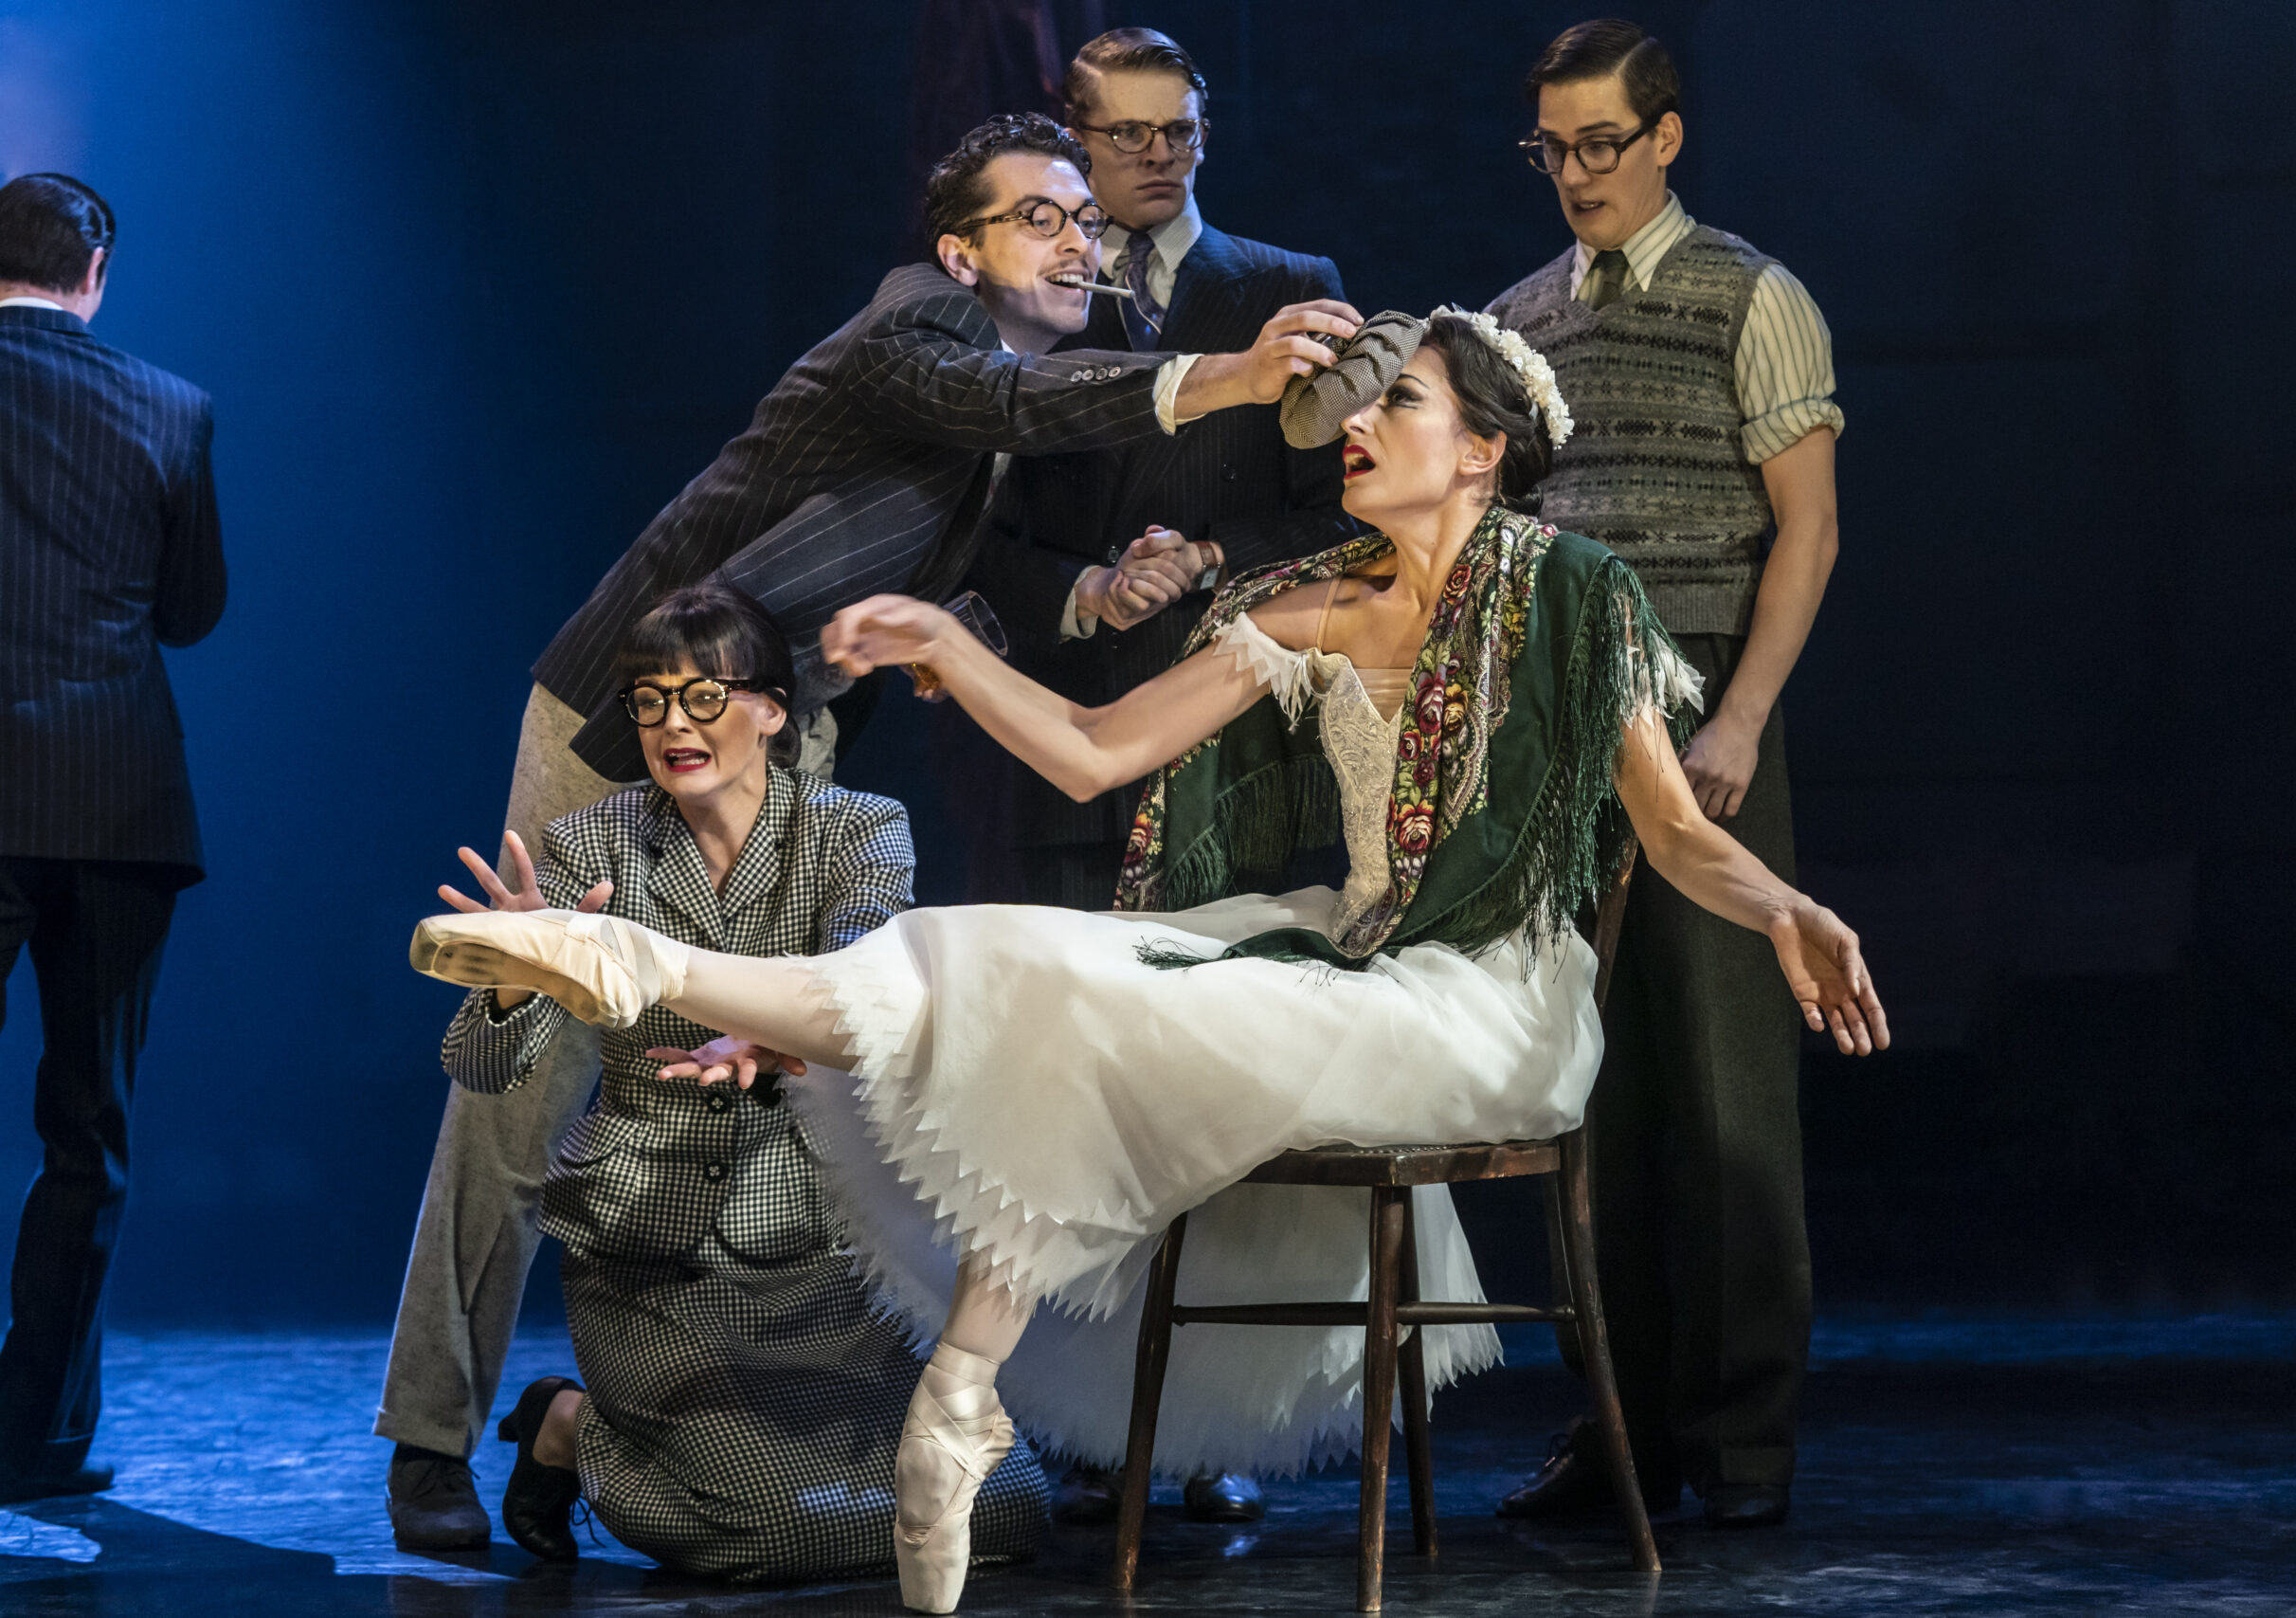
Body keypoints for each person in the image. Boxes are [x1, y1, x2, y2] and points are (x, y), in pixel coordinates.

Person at [409, 310, 1888, 1613]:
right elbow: (1093, 750)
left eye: (1400, 408)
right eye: (1359, 409)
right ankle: (633, 963)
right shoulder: (1313, 604)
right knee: (1000, 949)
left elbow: (1680, 837)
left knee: (1121, 986)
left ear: (1486, 450)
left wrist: (1783, 909)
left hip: (1490, 998)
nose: (1358, 429)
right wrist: (948, 639)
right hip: (1348, 955)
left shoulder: (1578, 597)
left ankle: (685, 1020)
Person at [375, 112, 1363, 1549]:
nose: (1080, 239)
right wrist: (1231, 373)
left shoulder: (993, 398)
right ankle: (429, 1435)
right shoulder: (918, 326)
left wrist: (1088, 594)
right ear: (962, 248)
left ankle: (697, 1422)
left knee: (806, 1074)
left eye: (1086, 218)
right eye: (1044, 216)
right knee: (536, 1069)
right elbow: (1019, 412)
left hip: (787, 743)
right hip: (629, 714)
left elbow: (951, 570)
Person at [425, 583, 1049, 1579]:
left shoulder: (854, 830)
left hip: (814, 1247)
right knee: (770, 1533)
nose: (674, 723)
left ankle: (603, 1435)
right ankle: (567, 1430)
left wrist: (769, 1035)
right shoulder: (596, 844)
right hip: (652, 1255)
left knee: (1005, 1511)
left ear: (773, 709)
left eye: (704, 697)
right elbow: (481, 1066)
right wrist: (516, 980)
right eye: (650, 699)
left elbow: (863, 976)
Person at [962, 25, 1361, 1523]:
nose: (1151, 157)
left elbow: (1348, 506)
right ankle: (1073, 1409)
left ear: (1206, 133)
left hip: (1239, 738)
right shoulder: (1033, 297)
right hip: (1068, 734)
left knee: (1214, 1080)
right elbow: (979, 519)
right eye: (1122, 133)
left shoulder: (1281, 283)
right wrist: (1087, 587)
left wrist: (1204, 562)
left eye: (1175, 132)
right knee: (1074, 1089)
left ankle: (1209, 1418)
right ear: (1072, 137)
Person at [1482, 21, 1847, 1532]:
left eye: (1600, 145)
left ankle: (1746, 1435)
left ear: (1666, 137)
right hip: (1567, 718)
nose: (1574, 174)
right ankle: (1620, 1428)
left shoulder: (1753, 296)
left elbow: (1808, 530)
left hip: (1700, 701)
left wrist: (1745, 720)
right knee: (1595, 1086)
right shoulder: (1515, 320)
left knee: (1725, 1086)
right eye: (1550, 149)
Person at [0, 173, 225, 1502]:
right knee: (90, 1127)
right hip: (117, 798)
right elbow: (192, 611)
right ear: (97, 274)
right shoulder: (171, 406)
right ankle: (35, 1437)